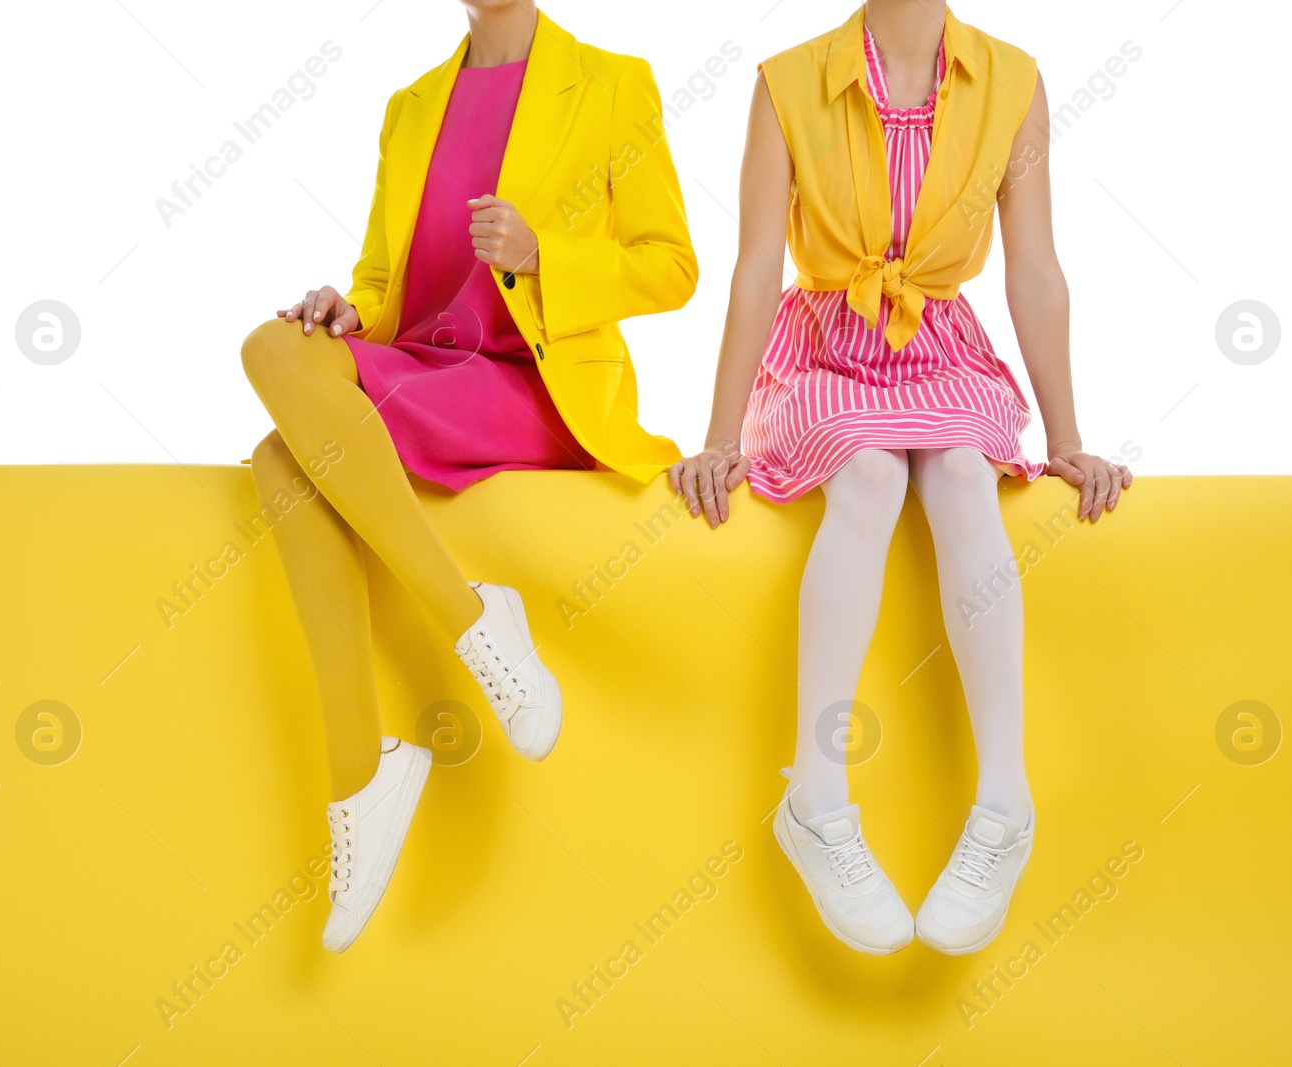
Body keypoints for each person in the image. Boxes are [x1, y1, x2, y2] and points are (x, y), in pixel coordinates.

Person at [672, 0, 1131, 956]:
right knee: (871, 473)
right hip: (824, 352)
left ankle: (1005, 801)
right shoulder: (785, 82)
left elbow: (1035, 268)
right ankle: (817, 795)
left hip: (939, 346)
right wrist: (718, 436)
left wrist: (1070, 434)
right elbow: (756, 271)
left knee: (963, 473)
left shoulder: (1015, 81)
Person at [239, 0, 696, 952]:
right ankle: (399, 721)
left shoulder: (614, 83)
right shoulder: (412, 106)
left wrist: (544, 256)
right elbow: (380, 285)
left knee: (282, 454)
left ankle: (374, 753)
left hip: (532, 387)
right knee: (279, 377)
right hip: (424, 369)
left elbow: (671, 268)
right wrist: (346, 313)